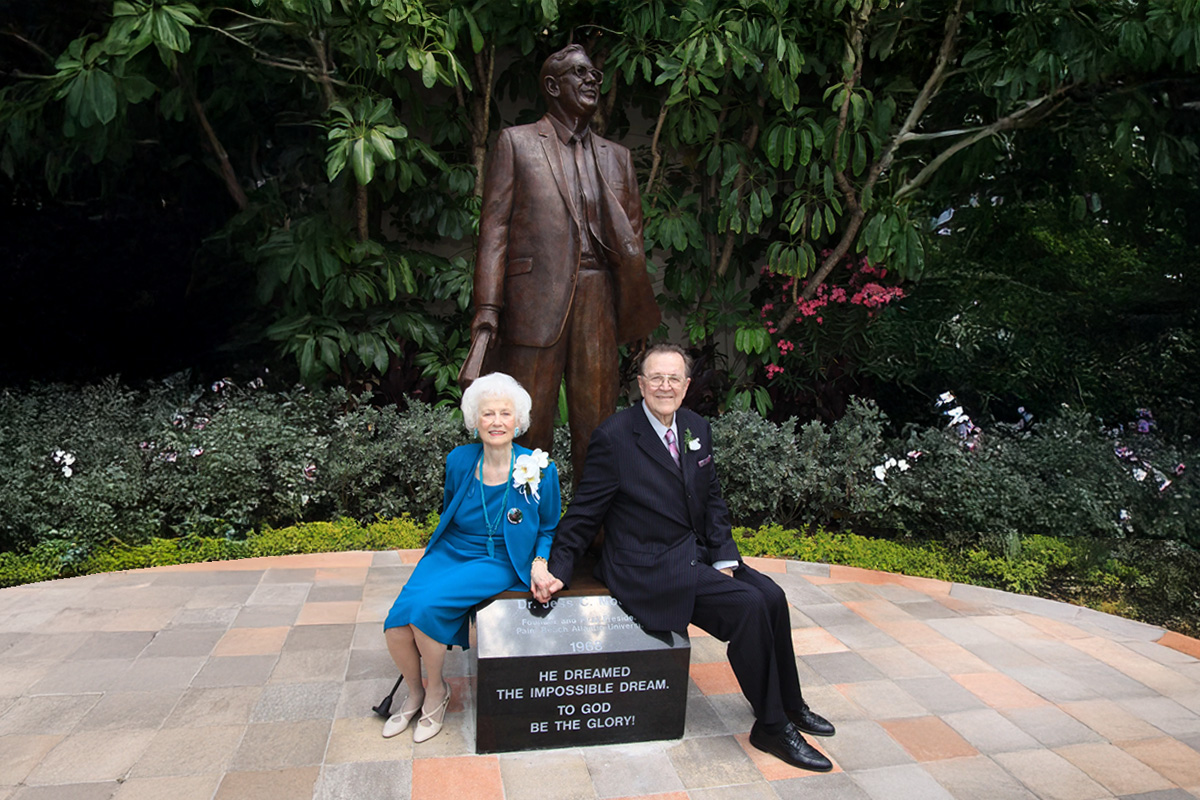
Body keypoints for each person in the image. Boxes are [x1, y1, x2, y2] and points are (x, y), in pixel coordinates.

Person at [530, 344, 836, 771]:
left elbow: (711, 500)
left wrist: (725, 558)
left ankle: (789, 703)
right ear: (640, 384)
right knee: (748, 608)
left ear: (687, 385)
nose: (665, 386)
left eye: (674, 378)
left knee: (772, 595)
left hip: (695, 553)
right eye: (655, 378)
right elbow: (584, 513)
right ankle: (769, 727)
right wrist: (556, 567)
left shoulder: (695, 427)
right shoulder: (614, 437)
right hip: (648, 564)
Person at [468, 43, 661, 482]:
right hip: (533, 304)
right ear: (553, 86)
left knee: (598, 427)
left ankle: (593, 540)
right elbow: (493, 232)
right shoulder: (516, 143)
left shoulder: (618, 157)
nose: (592, 79)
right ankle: (522, 534)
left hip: (599, 302)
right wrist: (487, 309)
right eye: (579, 73)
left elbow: (633, 242)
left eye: (594, 73)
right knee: (527, 425)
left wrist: (635, 316)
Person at [383, 373, 561, 743]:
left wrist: (540, 561)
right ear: (474, 421)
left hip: (498, 559)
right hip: (452, 550)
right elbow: (451, 508)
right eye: (487, 414)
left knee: (424, 610)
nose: (496, 422)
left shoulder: (540, 468)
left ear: (519, 421)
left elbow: (548, 527)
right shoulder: (460, 460)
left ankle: (436, 692)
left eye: (505, 414)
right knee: (396, 623)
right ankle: (415, 692)